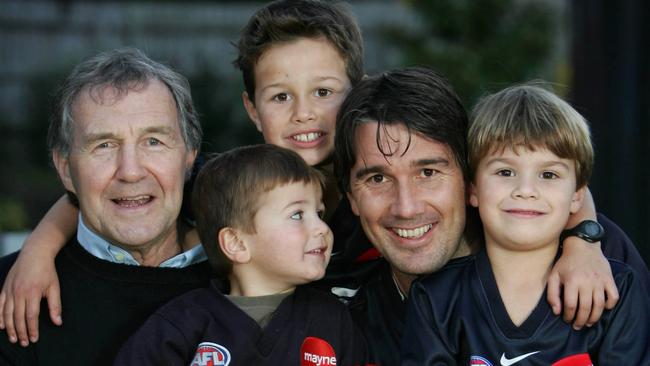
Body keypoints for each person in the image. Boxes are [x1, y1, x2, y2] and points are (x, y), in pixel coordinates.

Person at [0, 0, 364, 346]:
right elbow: (108, 193)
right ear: (252, 109)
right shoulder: (227, 184)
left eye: (323, 91)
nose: (303, 112)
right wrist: (37, 252)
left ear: (357, 92)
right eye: (280, 97)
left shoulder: (380, 190)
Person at [331, 67, 650, 365]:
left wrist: (584, 238)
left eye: (428, 172)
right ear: (351, 196)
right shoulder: (340, 296)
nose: (407, 207)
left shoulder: (604, 261)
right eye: (377, 179)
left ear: (466, 177)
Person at [0, 48, 212, 365]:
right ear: (65, 168)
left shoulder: (257, 273)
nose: (130, 171)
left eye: (154, 141)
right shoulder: (11, 296)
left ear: (189, 156)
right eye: (104, 145)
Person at [114, 144, 367, 365]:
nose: (322, 228)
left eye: (319, 214)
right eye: (297, 215)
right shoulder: (182, 324)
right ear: (236, 243)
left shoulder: (334, 321)